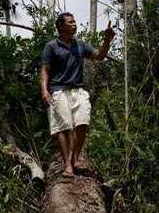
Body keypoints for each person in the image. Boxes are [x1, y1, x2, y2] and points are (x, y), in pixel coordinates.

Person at [40, 12, 115, 177]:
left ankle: (75, 158)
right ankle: (67, 164)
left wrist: (107, 40)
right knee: (63, 127)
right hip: (58, 90)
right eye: (70, 22)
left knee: (82, 123)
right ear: (60, 26)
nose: (74, 24)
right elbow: (45, 70)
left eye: (75, 21)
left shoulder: (80, 45)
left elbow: (99, 56)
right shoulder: (51, 46)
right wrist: (45, 90)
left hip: (78, 90)